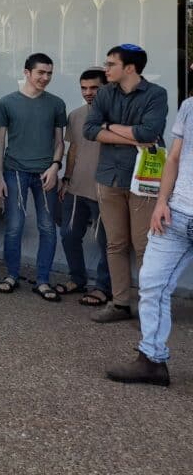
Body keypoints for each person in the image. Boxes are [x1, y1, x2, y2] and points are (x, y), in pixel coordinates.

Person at [105, 96, 193, 387]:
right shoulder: (189, 106)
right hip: (176, 214)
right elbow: (175, 157)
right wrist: (161, 201)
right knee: (152, 284)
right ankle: (152, 361)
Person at [83, 44, 168, 323]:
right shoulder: (105, 93)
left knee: (144, 246)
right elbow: (91, 130)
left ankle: (148, 308)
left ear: (129, 68)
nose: (105, 69)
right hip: (109, 176)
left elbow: (150, 132)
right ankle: (119, 303)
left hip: (143, 177)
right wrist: (128, 136)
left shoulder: (156, 94)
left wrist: (109, 126)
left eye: (111, 64)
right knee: (115, 244)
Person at [0, 52, 67, 301]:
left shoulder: (56, 104)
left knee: (48, 227)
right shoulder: (7, 102)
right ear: (27, 72)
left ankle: (43, 280)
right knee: (14, 226)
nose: (45, 78)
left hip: (46, 172)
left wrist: (56, 166)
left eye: (49, 73)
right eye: (40, 73)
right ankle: (11, 275)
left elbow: (60, 141)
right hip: (14, 171)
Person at [57, 68, 112, 305]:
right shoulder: (77, 115)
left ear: (106, 87)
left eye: (94, 88)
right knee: (68, 235)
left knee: (106, 242)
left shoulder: (118, 115)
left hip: (106, 190)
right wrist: (66, 179)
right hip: (76, 188)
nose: (88, 93)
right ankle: (77, 279)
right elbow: (74, 149)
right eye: (84, 88)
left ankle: (103, 288)